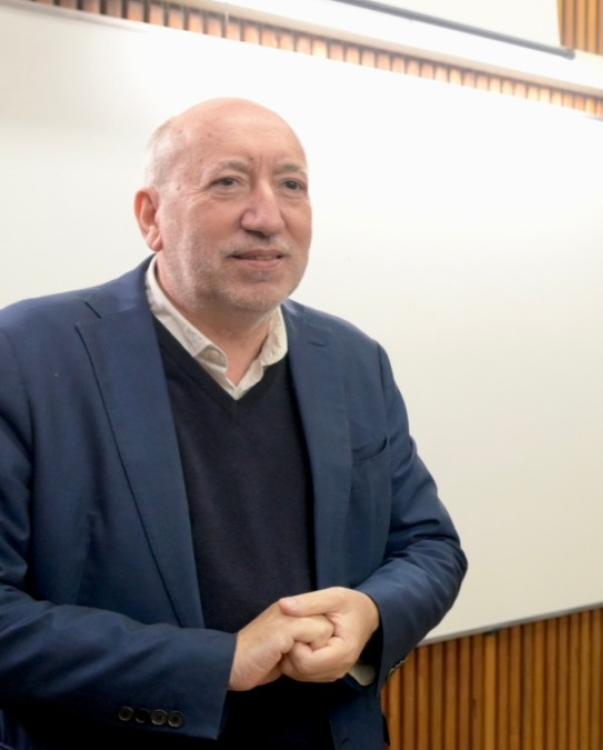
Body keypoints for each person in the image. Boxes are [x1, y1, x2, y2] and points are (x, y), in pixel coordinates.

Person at [0, 99, 467, 749]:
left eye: (291, 185)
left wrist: (370, 613)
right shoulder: (25, 355)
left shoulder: (354, 361)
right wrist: (216, 665)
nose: (267, 217)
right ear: (151, 217)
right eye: (227, 182)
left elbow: (430, 547)